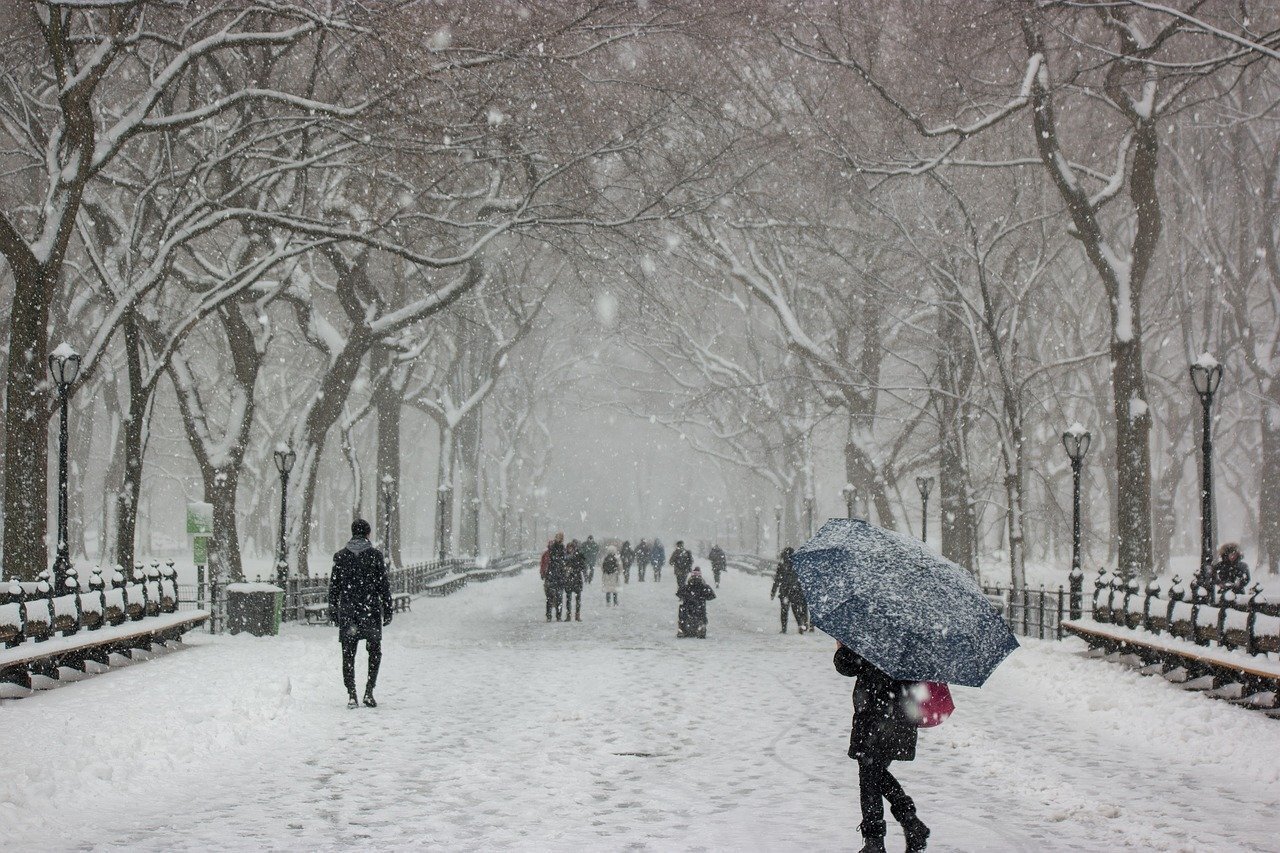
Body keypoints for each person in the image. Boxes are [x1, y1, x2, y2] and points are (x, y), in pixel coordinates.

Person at [833, 644, 929, 853]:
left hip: (875, 712)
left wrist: (842, 649)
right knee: (873, 772)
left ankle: (876, 842)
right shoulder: (911, 634)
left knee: (869, 773)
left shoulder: (870, 629)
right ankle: (910, 825)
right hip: (902, 710)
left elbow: (847, 665)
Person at [328, 518, 392, 709]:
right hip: (370, 610)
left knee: (348, 653)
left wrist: (333, 609)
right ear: (367, 534)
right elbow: (383, 585)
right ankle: (369, 691)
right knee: (374, 651)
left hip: (349, 611)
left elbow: (334, 587)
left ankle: (351, 694)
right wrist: (387, 608)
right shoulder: (375, 556)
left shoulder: (340, 557)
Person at [771, 547, 811, 634]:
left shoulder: (782, 565)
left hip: (784, 591)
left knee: (784, 611)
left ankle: (784, 629)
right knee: (796, 610)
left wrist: (773, 591)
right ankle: (800, 625)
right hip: (794, 591)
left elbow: (777, 580)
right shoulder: (796, 564)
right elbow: (800, 578)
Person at [676, 567, 716, 638]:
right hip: (700, 607)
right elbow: (712, 596)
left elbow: (679, 593)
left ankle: (681, 630)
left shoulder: (687, 587)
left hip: (687, 606)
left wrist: (685, 596)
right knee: (702, 617)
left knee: (682, 614)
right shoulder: (704, 586)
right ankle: (701, 629)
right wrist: (703, 597)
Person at [545, 533, 567, 622]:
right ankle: (549, 615)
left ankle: (558, 616)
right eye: (559, 537)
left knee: (559, 597)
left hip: (559, 576)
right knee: (550, 597)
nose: (560, 539)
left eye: (561, 538)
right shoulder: (553, 547)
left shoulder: (562, 547)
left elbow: (563, 559)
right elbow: (553, 558)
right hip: (552, 575)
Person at [564, 540, 586, 622]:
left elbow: (582, 566)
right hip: (569, 579)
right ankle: (568, 615)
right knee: (568, 598)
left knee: (578, 599)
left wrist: (574, 568)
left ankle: (577, 615)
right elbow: (563, 566)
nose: (570, 549)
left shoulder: (579, 555)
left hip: (577, 579)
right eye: (569, 548)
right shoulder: (565, 556)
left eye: (571, 548)